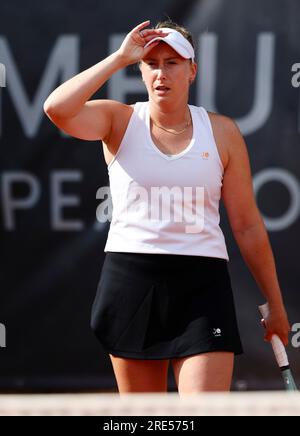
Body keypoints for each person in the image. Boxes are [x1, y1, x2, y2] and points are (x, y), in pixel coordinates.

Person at [43, 19, 291, 396]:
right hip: (132, 284)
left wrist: (275, 303)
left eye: (172, 62)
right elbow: (56, 108)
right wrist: (119, 58)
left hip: (203, 289)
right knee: (146, 421)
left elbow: (246, 225)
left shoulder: (222, 132)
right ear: (140, 70)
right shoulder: (118, 120)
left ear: (192, 70)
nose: (161, 73)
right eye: (151, 63)